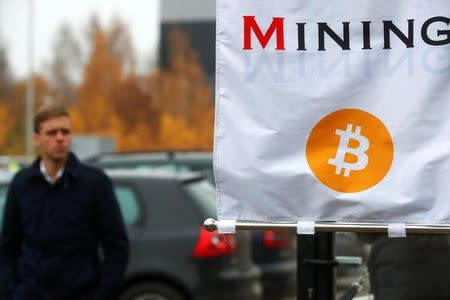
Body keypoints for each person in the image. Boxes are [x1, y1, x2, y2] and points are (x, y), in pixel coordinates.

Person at [0, 104, 129, 300]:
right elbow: (7, 247)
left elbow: (117, 248)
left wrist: (101, 295)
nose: (60, 138)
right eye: (51, 133)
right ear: (37, 139)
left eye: (65, 132)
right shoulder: (22, 183)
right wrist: (12, 292)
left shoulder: (94, 183)